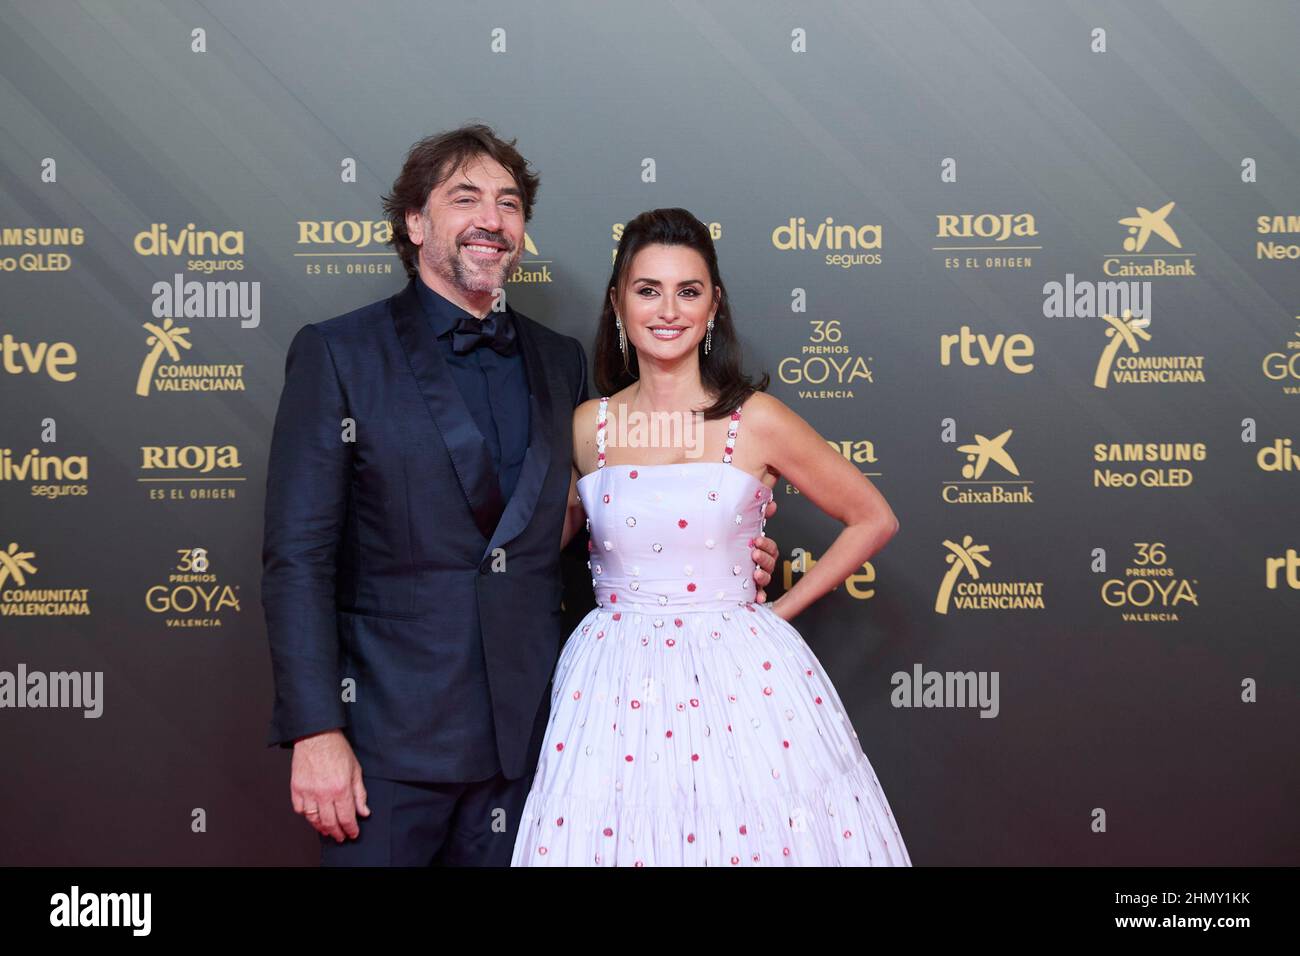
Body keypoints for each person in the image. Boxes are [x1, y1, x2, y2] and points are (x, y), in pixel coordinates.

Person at [261, 126, 780, 866]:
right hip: (385, 746)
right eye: (465, 197)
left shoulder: (557, 359)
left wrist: (723, 547)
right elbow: (298, 558)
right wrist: (316, 732)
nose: (492, 219)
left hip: (541, 744)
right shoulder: (340, 354)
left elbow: (591, 526)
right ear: (414, 223)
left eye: (509, 203)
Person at [511, 208, 912, 866]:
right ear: (617, 302)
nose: (668, 309)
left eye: (688, 290)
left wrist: (777, 613)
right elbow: (539, 545)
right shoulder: (590, 426)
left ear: (713, 305)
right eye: (648, 290)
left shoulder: (755, 420)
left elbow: (873, 516)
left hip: (742, 679)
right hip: (613, 681)